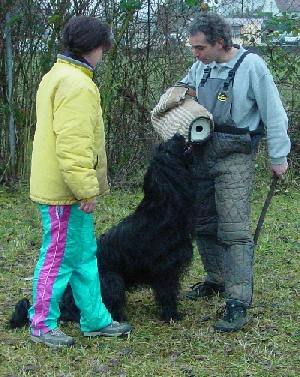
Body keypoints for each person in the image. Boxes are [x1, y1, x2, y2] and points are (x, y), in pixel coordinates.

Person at [180, 13, 290, 332]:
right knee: (202, 224)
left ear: (219, 43)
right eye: (193, 48)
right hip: (200, 154)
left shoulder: (252, 66)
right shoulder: (201, 66)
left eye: (200, 48)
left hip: (236, 157)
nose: (195, 54)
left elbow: (274, 112)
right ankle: (216, 280)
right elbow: (184, 87)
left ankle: (237, 300)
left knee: (234, 230)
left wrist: (278, 155)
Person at [29, 16, 132, 347]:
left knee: (85, 255)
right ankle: (42, 324)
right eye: (104, 47)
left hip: (65, 190)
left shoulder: (57, 74)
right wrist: (86, 189)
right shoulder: (77, 84)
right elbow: (73, 145)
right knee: (57, 257)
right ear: (96, 46)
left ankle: (95, 319)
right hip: (64, 193)